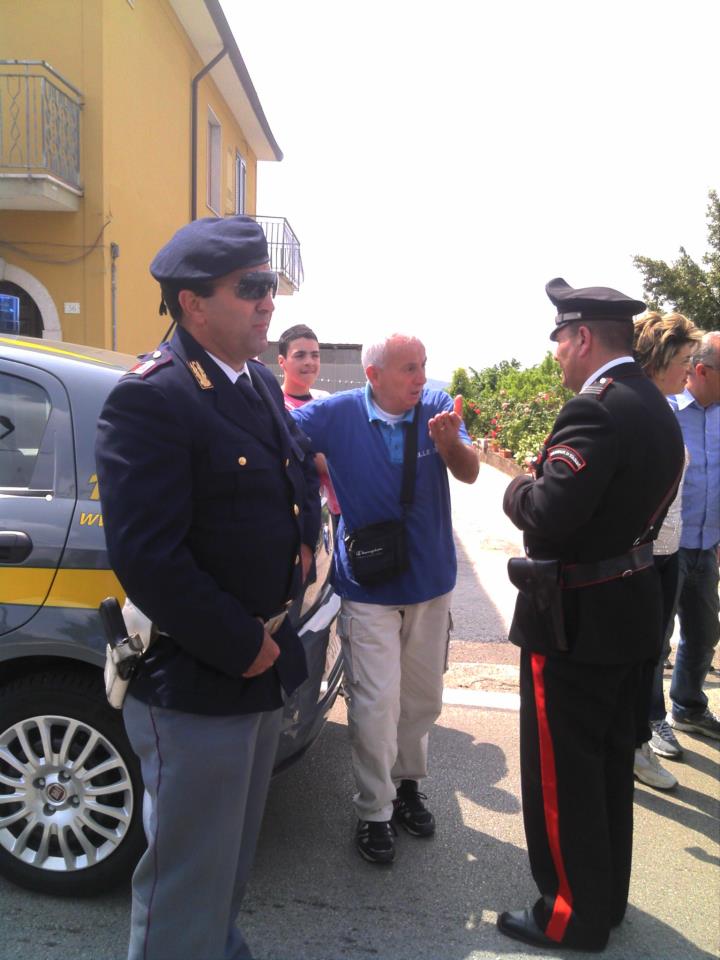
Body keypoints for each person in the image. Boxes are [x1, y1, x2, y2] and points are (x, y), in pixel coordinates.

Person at [95, 215, 321, 960]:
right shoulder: (154, 398)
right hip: (199, 672)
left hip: (261, 658)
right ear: (193, 305)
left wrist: (282, 620)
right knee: (186, 884)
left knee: (227, 871)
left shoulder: (255, 380)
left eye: (271, 287)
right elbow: (148, 557)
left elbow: (291, 490)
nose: (268, 303)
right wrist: (243, 642)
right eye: (251, 289)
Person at [498, 279, 684, 952]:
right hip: (629, 606)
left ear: (580, 338)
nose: (557, 357)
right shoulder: (654, 403)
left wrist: (520, 486)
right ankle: (605, 899)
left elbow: (548, 514)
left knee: (564, 773)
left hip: (573, 617)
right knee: (606, 765)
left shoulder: (596, 409)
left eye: (559, 343)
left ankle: (571, 915)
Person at [291, 334, 479, 864]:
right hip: (368, 589)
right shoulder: (336, 414)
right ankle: (374, 811)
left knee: (421, 701)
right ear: (373, 375)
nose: (421, 378)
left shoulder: (438, 409)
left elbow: (468, 472)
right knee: (375, 705)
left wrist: (448, 443)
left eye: (423, 367)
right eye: (408, 369)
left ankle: (407, 785)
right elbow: (276, 439)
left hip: (429, 584)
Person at [631, 311, 702, 790]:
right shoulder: (638, 411)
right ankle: (633, 747)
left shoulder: (663, 408)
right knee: (638, 657)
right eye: (682, 359)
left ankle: (634, 743)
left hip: (669, 554)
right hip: (639, 560)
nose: (689, 370)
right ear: (657, 359)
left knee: (650, 653)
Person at [666, 330, 720, 739]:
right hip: (666, 549)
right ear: (701, 370)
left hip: (708, 546)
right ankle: (649, 724)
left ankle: (688, 706)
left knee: (703, 634)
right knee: (655, 641)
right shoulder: (664, 410)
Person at [278, 323, 340, 516]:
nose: (309, 362)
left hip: (338, 510)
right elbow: (321, 460)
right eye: (300, 355)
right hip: (299, 511)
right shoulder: (276, 406)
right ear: (282, 362)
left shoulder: (325, 400)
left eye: (315, 355)